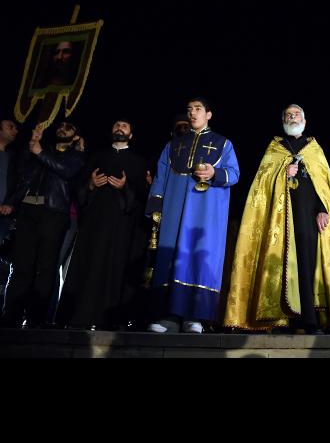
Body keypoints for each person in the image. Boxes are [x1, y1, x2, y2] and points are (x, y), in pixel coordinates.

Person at [224, 105, 330, 333]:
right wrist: (282, 173)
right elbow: (262, 186)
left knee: (307, 266)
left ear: (305, 121)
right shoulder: (275, 148)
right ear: (282, 120)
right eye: (288, 115)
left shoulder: (314, 149)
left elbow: (324, 184)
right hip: (280, 221)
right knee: (279, 266)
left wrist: (323, 209)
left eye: (296, 114)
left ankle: (309, 321)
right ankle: (280, 320)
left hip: (308, 217)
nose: (292, 117)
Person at [145, 98, 240, 333]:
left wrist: (214, 172)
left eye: (198, 109)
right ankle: (169, 317)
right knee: (171, 256)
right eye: (189, 110)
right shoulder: (174, 145)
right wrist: (156, 204)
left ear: (209, 114)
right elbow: (161, 176)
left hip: (204, 212)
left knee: (197, 258)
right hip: (175, 210)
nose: (193, 113)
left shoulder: (222, 143)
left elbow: (234, 173)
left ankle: (194, 317)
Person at [55, 119, 148, 330]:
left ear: (131, 135)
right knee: (87, 264)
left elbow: (143, 194)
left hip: (121, 227)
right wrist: (90, 184)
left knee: (115, 268)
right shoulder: (96, 156)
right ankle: (78, 317)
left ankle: (111, 319)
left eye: (124, 126)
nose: (119, 128)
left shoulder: (139, 162)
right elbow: (79, 188)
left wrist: (127, 187)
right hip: (93, 224)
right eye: (116, 125)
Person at [0, 122, 86, 328]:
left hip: (53, 213)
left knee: (45, 267)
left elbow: (66, 171)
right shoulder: (41, 149)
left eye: (69, 127)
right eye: (61, 126)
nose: (62, 129)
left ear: (75, 136)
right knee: (21, 265)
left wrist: (40, 153)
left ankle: (36, 317)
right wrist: (34, 144)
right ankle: (10, 315)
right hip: (28, 210)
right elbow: (22, 172)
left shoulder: (76, 155)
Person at [0, 118, 20, 312]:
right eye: (11, 127)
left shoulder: (13, 158)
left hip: (4, 217)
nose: (15, 131)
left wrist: (10, 204)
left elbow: (15, 186)